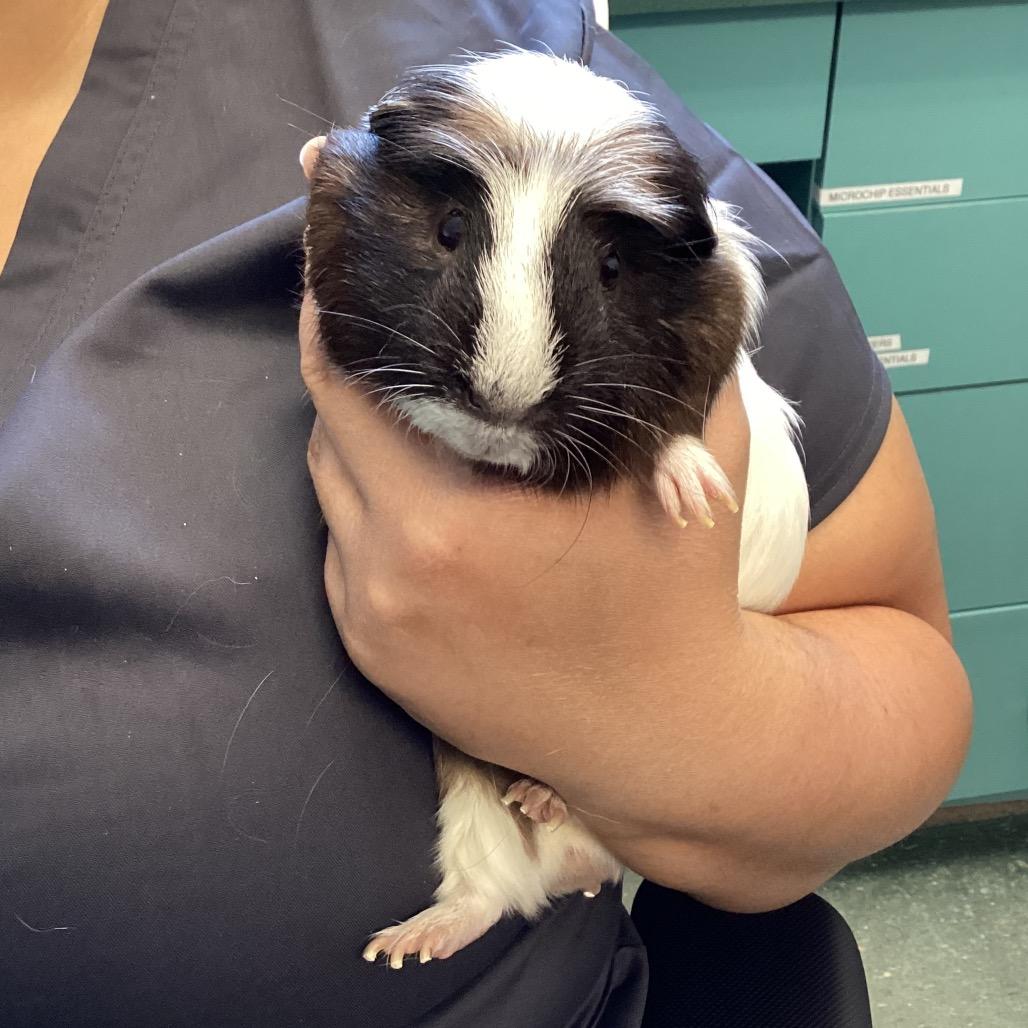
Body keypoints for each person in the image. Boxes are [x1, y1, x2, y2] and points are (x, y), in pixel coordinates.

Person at [0, 1, 969, 1025]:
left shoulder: (521, 48)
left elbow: (897, 654)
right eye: (450, 232)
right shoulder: (381, 161)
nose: (502, 386)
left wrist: (665, 715)